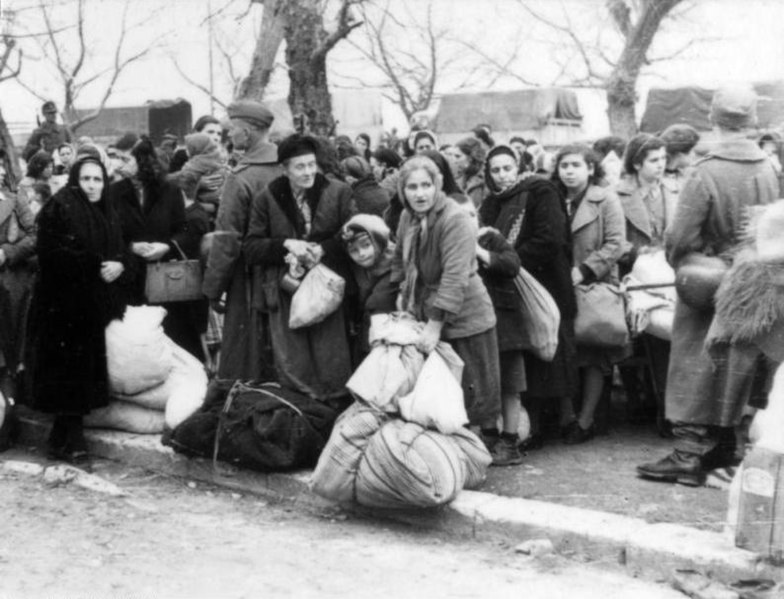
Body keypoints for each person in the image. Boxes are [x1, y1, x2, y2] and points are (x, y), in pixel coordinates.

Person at [637, 86, 779, 486]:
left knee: (693, 361)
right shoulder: (768, 166)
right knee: (738, 362)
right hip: (756, 281)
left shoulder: (705, 170)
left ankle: (687, 454)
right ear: (751, 121)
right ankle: (726, 446)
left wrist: (686, 262)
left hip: (708, 278)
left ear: (713, 120)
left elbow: (679, 237)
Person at [27, 156, 134, 468]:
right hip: (61, 306)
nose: (91, 185)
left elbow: (121, 247)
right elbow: (49, 253)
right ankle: (73, 442)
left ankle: (61, 439)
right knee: (71, 374)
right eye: (86, 179)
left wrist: (120, 264)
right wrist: (95, 263)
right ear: (75, 179)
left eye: (98, 179)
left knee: (79, 374)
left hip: (90, 304)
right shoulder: (60, 206)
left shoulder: (107, 210)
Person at [391, 155, 501, 441]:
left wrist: (434, 325)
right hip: (427, 307)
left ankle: (485, 447)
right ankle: (454, 450)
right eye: (412, 187)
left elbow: (454, 278)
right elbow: (399, 262)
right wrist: (401, 300)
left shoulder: (455, 218)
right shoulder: (407, 217)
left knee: (477, 389)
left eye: (426, 185)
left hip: (466, 314)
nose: (420, 193)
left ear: (438, 185)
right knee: (444, 390)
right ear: (402, 190)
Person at [244, 134, 356, 400]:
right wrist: (286, 244)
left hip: (327, 286)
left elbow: (352, 233)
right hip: (286, 289)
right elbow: (250, 247)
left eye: (311, 165)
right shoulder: (267, 198)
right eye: (300, 167)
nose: (308, 173)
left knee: (331, 354)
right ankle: (300, 411)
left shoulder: (338, 191)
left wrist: (323, 249)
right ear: (285, 169)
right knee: (293, 360)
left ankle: (334, 408)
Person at [480, 145, 577, 451]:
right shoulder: (491, 203)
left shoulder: (540, 190)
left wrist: (509, 259)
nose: (502, 176)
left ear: (520, 166)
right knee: (527, 359)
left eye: (507, 168)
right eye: (495, 170)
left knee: (548, 349)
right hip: (508, 284)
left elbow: (550, 238)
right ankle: (534, 425)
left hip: (544, 280)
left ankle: (560, 422)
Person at [552, 144, 627, 444]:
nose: (569, 171)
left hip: (593, 283)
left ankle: (586, 418)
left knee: (593, 350)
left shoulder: (605, 199)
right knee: (561, 350)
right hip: (559, 285)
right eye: (564, 165)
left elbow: (615, 243)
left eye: (576, 165)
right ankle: (566, 414)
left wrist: (583, 270)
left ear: (590, 169)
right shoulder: (553, 198)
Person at [202, 100, 280, 381]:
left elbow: (227, 240)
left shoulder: (242, 178)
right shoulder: (287, 166)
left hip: (250, 281)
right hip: (290, 276)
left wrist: (213, 288)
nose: (229, 134)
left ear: (247, 133)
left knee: (246, 360)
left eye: (233, 128)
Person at [108, 136, 200, 358]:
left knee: (175, 345)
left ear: (143, 160)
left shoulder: (169, 190)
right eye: (116, 158)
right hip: (129, 281)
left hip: (165, 281)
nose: (118, 164)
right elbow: (107, 235)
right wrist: (130, 247)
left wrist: (166, 247)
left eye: (124, 158)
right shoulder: (113, 193)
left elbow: (185, 230)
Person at [460, 195, 525, 465]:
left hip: (506, 327)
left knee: (510, 383)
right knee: (484, 381)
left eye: (471, 216)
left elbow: (512, 265)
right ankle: (488, 434)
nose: (467, 222)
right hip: (476, 327)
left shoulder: (491, 239)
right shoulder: (450, 245)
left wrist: (479, 252)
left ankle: (510, 441)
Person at [0, 158, 36, 403]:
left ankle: (9, 402)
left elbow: (37, 234)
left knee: (9, 343)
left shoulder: (14, 200)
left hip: (10, 278)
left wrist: (6, 253)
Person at [341, 214, 398, 363]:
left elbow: (376, 303)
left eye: (366, 245)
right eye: (353, 250)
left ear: (379, 240)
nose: (361, 254)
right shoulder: (362, 272)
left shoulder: (395, 268)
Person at [169, 132, 227, 220]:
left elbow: (181, 181)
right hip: (216, 210)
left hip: (199, 211)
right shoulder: (217, 161)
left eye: (188, 148)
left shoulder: (196, 165)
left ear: (196, 149)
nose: (186, 150)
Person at [660, 124, 700, 212]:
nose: (694, 155)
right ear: (680, 155)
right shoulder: (657, 181)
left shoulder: (687, 176)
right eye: (692, 151)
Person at [453, 137, 488, 208]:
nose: (455, 161)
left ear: (470, 158)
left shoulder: (485, 181)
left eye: (458, 156)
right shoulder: (457, 178)